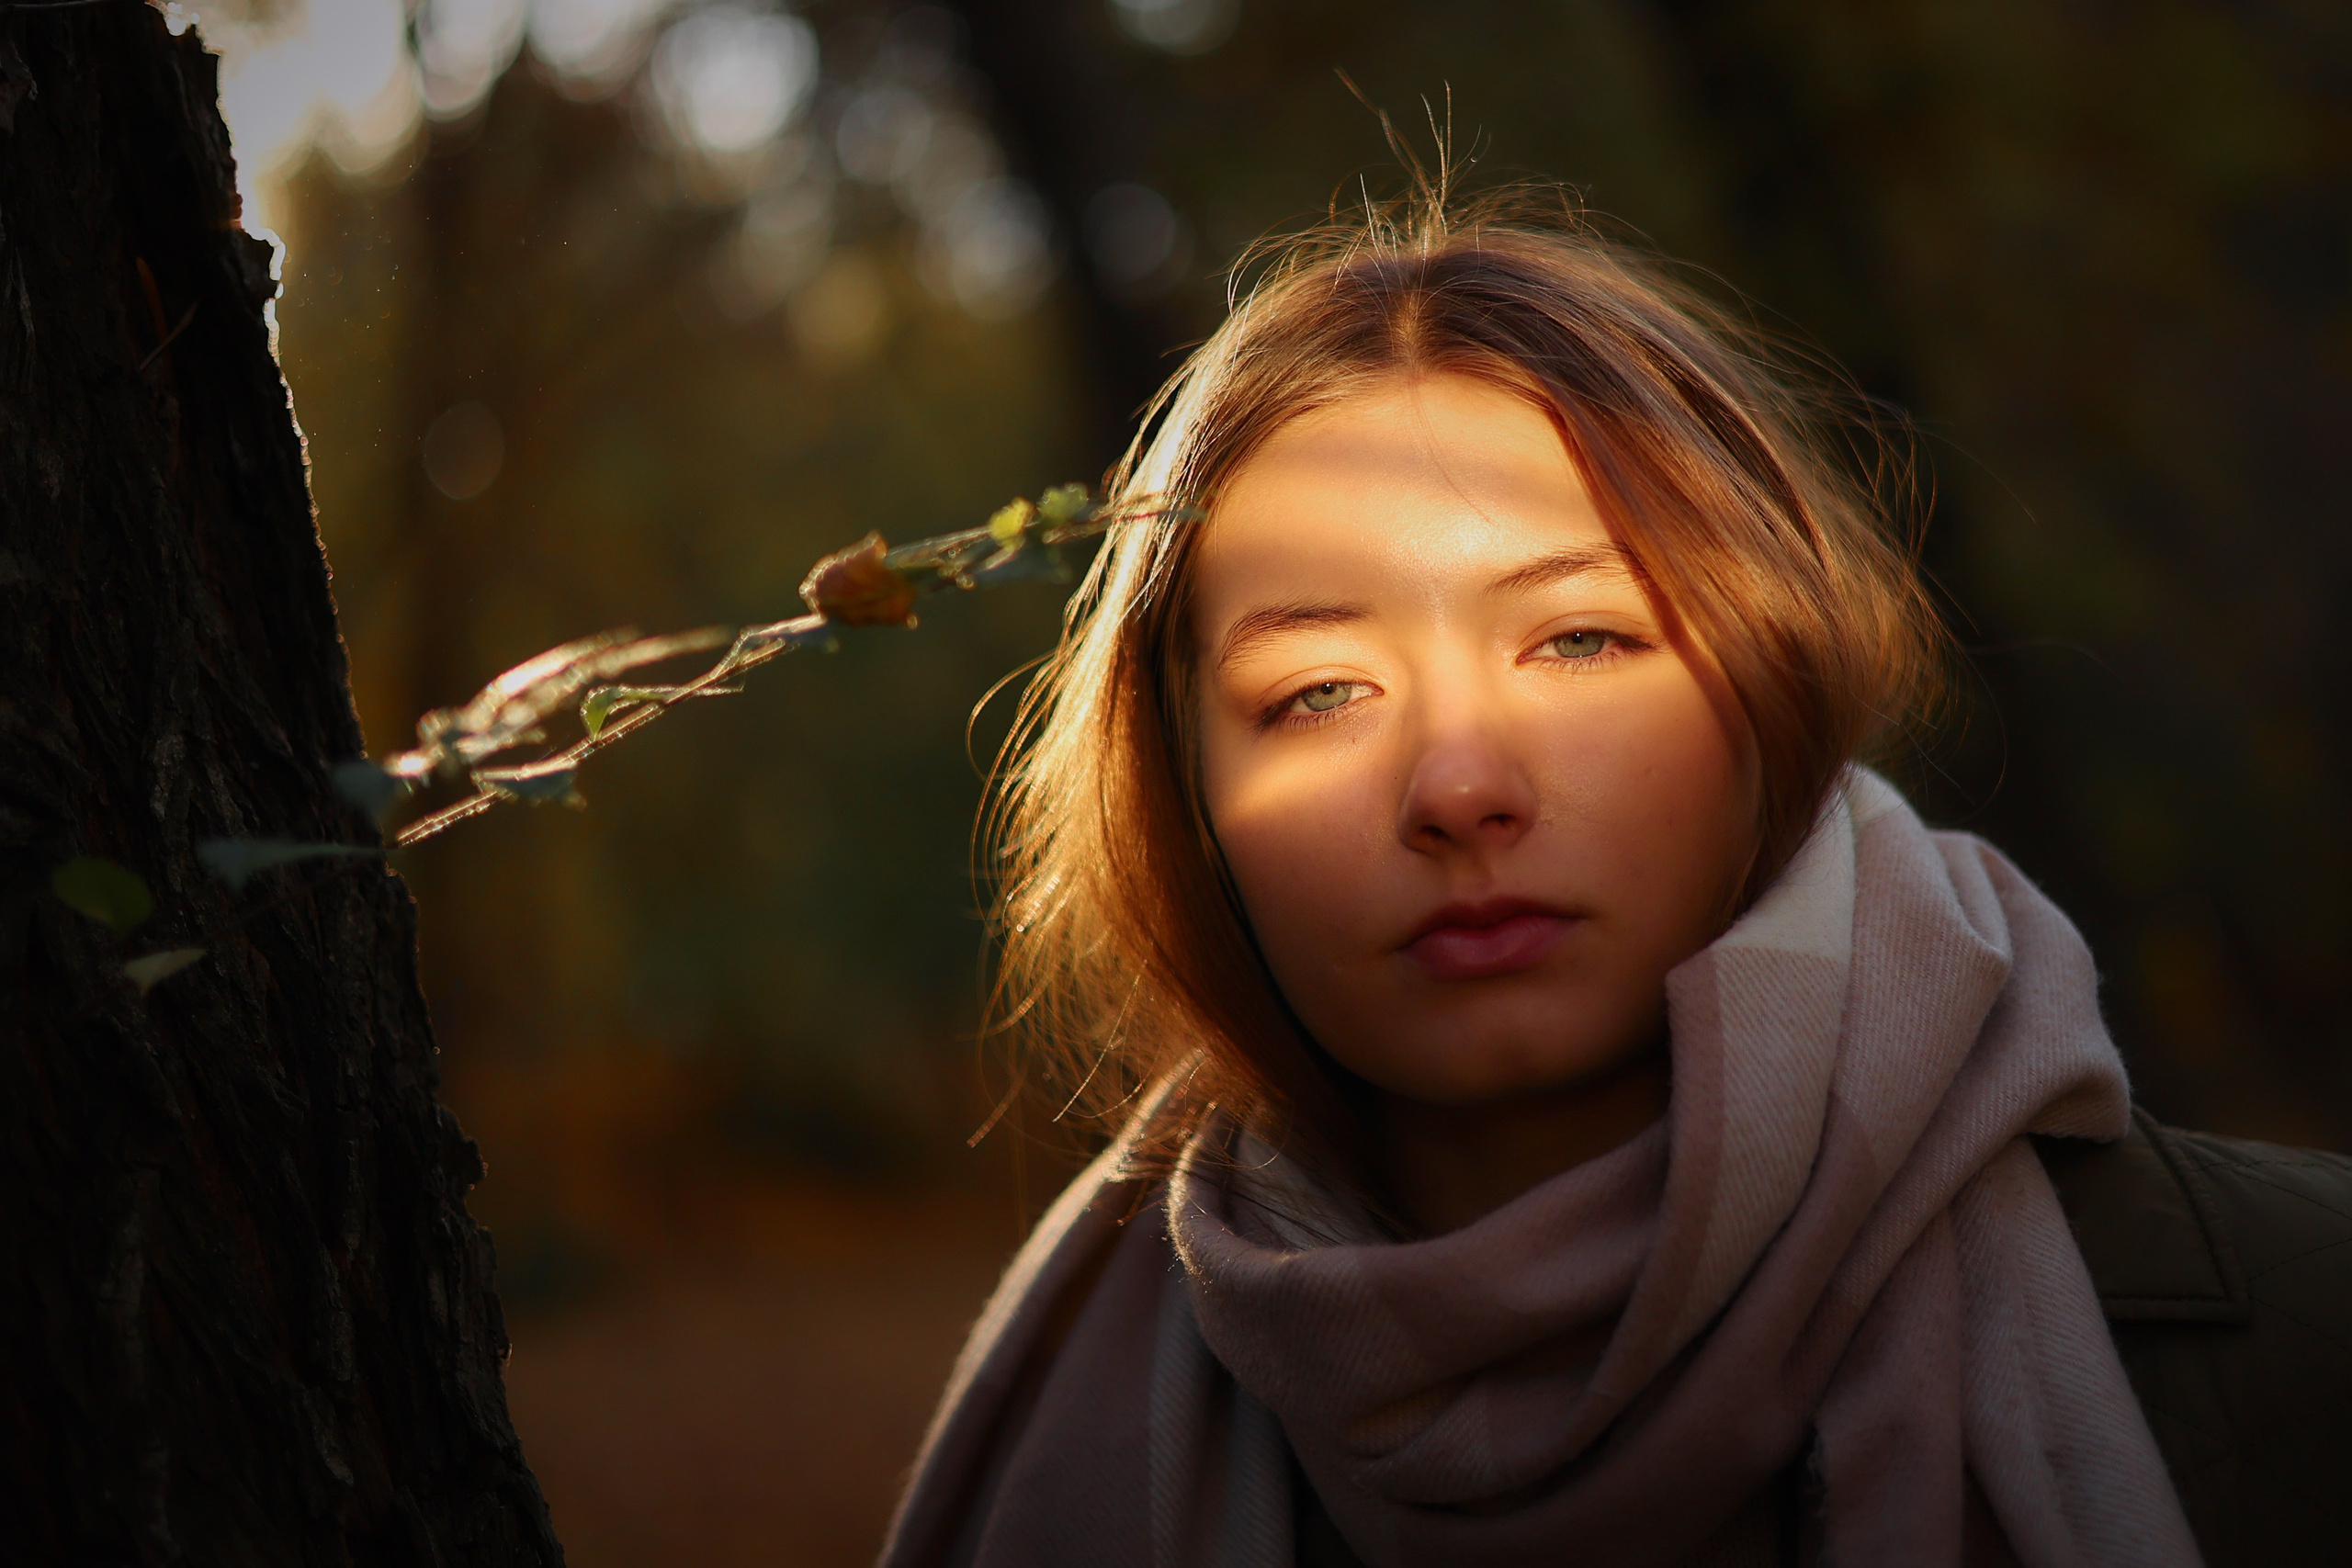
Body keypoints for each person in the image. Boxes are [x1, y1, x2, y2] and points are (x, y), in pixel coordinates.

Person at [878, 191, 2352, 1568]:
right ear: (1190, 797)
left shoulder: (2308, 1316)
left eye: (1582, 641)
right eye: (1320, 692)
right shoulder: (1071, 1444)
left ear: (1766, 687)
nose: (1459, 788)